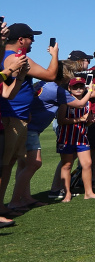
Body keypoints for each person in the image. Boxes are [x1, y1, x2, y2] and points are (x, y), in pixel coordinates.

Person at [1, 23, 59, 219]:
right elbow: (51, 75)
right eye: (30, 38)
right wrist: (54, 55)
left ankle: (12, 201)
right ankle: (3, 206)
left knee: (11, 163)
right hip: (13, 116)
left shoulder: (6, 56)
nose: (32, 41)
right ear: (20, 40)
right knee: (5, 164)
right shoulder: (17, 57)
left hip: (18, 115)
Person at [56, 77, 95, 202]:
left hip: (81, 137)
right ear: (69, 88)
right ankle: (67, 193)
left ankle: (89, 192)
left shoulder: (88, 103)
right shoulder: (65, 101)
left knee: (87, 164)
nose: (78, 89)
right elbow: (61, 120)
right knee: (67, 165)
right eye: (75, 87)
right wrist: (80, 119)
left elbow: (86, 122)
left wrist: (91, 121)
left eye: (81, 87)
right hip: (66, 138)